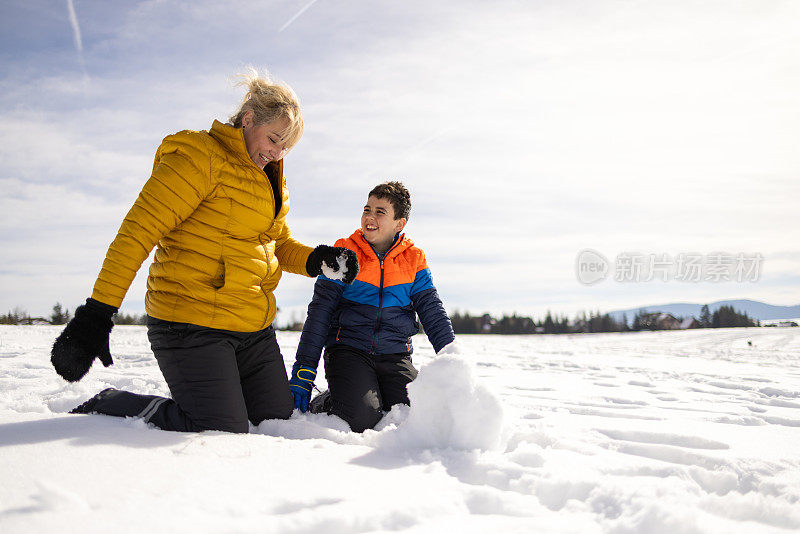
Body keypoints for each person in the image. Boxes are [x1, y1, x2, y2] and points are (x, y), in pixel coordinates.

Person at [51, 70, 358, 433]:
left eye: (285, 147)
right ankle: (112, 402)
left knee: (278, 423)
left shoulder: (271, 176)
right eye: (274, 140)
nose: (276, 153)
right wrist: (97, 313)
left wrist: (316, 260)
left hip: (251, 327)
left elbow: (275, 243)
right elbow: (137, 232)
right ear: (248, 120)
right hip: (190, 322)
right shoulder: (199, 157)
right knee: (220, 427)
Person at [288, 181, 455, 432]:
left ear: (400, 223)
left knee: (419, 413)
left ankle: (367, 390)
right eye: (367, 209)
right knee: (361, 418)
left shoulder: (414, 260)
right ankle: (330, 399)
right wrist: (304, 369)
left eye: (380, 211)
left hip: (395, 355)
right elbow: (319, 312)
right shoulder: (343, 253)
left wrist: (453, 361)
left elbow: (433, 314)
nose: (370, 216)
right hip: (349, 350)